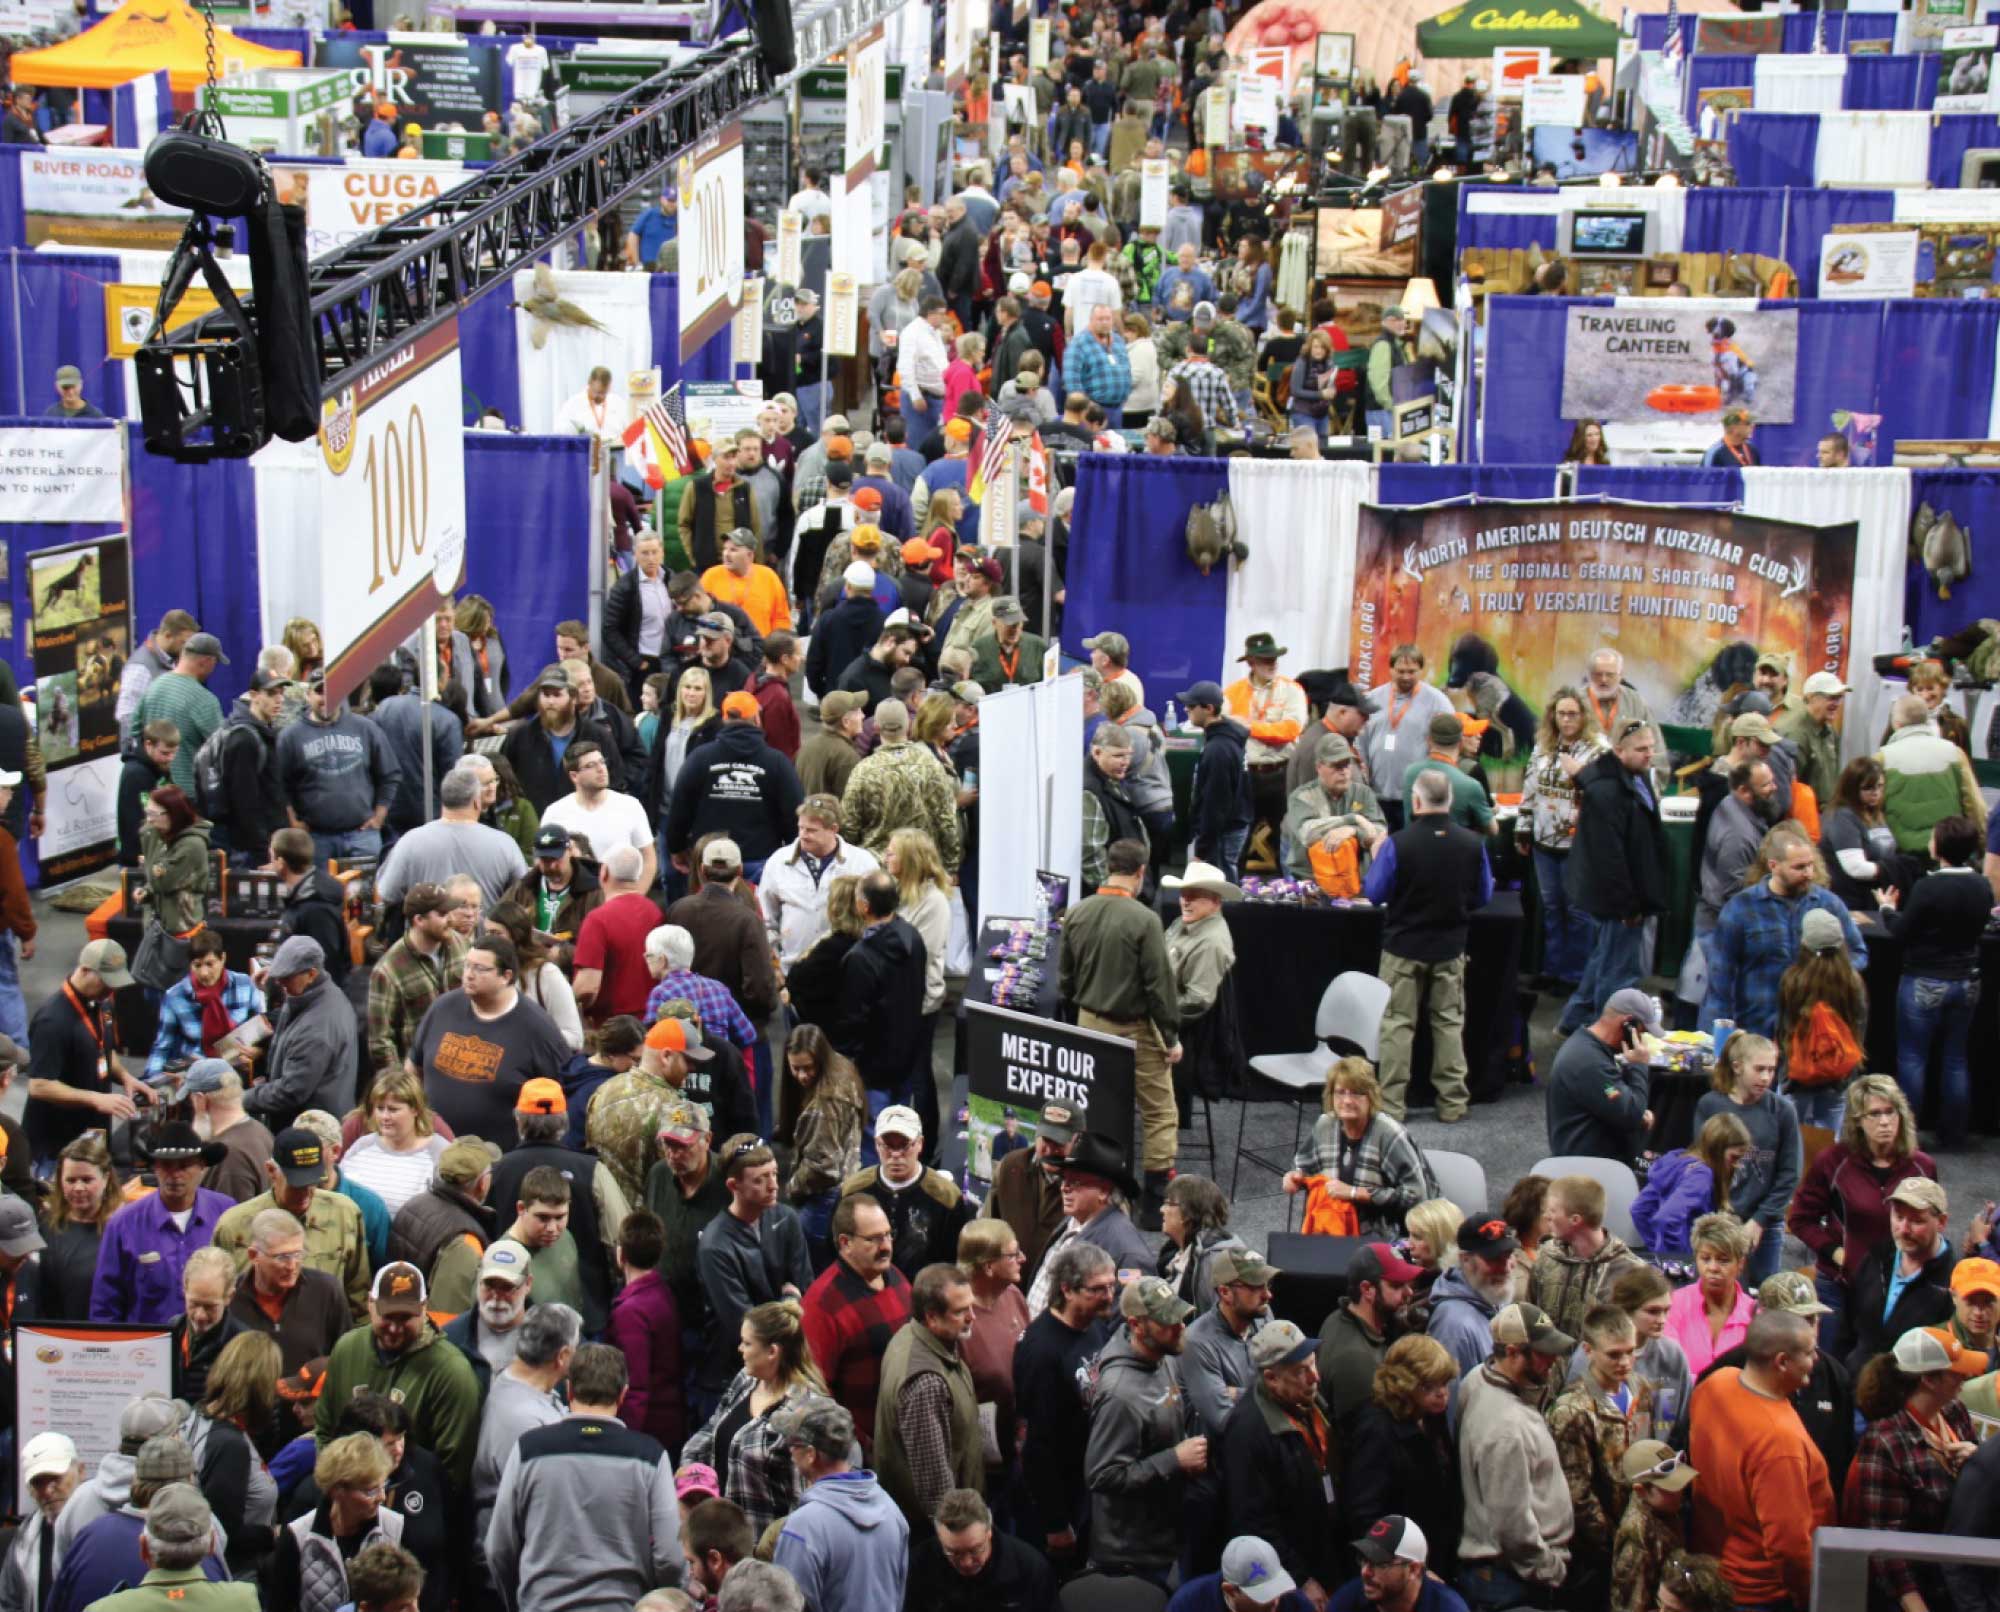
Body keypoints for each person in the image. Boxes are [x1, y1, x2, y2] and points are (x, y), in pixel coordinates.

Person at [486, 1342, 682, 1609]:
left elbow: (498, 1548)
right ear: (623, 1395)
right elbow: (670, 1557)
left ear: (568, 1390)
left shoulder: (527, 1450)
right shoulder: (651, 1456)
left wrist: (518, 1602)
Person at [1365, 767, 1492, 1124]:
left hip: (1403, 948)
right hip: (1450, 948)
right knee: (1449, 1023)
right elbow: (1483, 895)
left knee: (1397, 1026)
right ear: (1449, 800)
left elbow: (1374, 893)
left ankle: (1392, 1105)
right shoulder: (1473, 844)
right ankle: (1452, 1102)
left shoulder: (1398, 843)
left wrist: (1375, 856)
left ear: (1416, 802)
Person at [1686, 1307, 1835, 1611]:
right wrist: (1809, 1595)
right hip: (1760, 1594)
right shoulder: (1779, 1443)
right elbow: (1789, 1546)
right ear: (1782, 1362)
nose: (1817, 1359)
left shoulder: (1714, 1384)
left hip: (1711, 1571)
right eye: (1809, 1352)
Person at [317, 1262, 482, 1491]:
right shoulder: (347, 1349)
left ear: (424, 1308)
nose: (394, 1328)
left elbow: (452, 1469)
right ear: (370, 1304)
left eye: (405, 1317)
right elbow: (325, 1430)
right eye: (387, 1316)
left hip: (412, 1500)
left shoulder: (451, 1372)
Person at [1456, 1303, 1577, 1610]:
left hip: (1502, 1574)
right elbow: (1512, 1524)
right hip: (1513, 1580)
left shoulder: (1477, 1378)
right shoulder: (1508, 1428)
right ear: (1512, 1353)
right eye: (1542, 1353)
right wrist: (1549, 1569)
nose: (1552, 1360)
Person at [1086, 1274, 1204, 1585]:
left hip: (1166, 1535)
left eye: (1180, 1317)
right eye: (1169, 1321)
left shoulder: (1163, 1354)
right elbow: (1102, 1475)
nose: (1181, 1327)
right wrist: (1174, 1459)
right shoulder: (1120, 1394)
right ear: (1137, 1325)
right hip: (1132, 1555)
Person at [1877, 813, 1989, 1140]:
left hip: (1925, 980)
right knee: (1955, 1059)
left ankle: (1907, 1135)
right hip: (1967, 981)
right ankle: (1954, 1132)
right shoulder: (1982, 885)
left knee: (1913, 1059)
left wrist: (1886, 909)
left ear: (1939, 846)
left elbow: (1901, 932)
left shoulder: (1928, 887)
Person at [1702, 828, 1870, 1043]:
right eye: (1799, 867)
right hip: (1757, 1032)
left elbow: (1858, 953)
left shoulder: (1829, 904)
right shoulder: (1741, 908)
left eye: (1810, 865)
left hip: (1812, 1033)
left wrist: (1827, 971)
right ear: (1774, 866)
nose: (1809, 873)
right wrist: (1716, 1038)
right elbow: (1720, 978)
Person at [1215, 1318, 1338, 1604]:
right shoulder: (1247, 1432)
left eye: (1313, 1363)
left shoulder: (1309, 1403)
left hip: (1325, 1551)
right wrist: (1300, 1579)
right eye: (1301, 1371)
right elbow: (1255, 1522)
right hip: (1288, 1577)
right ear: (1271, 1378)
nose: (1315, 1377)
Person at [1559, 720, 1669, 1035]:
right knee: (1618, 970)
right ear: (1619, 751)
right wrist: (1628, 906)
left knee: (1604, 960)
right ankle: (1603, 1034)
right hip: (1620, 898)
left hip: (1627, 891)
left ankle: (1573, 1020)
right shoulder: (1607, 791)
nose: (1649, 754)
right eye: (1642, 749)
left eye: (1651, 747)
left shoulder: (1635, 777)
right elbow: (1610, 858)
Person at [682, 1297, 826, 1536]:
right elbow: (709, 1431)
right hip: (722, 1539)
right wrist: (689, 1476)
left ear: (772, 1352)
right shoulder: (745, 1380)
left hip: (764, 1546)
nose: (740, 1349)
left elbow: (802, 1502)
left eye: (747, 1343)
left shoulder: (806, 1411)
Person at [1013, 1240, 1116, 1566]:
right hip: (1057, 1495)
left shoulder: (1094, 1323)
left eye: (1112, 1286)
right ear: (1067, 1290)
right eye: (1097, 1289)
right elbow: (1035, 1445)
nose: (1110, 1296)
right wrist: (1055, 1522)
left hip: (1087, 1483)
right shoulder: (1041, 1351)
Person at [1547, 1305, 1651, 1608]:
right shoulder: (1572, 1410)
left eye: (1631, 1352)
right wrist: (1616, 1543)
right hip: (1596, 1555)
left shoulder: (1640, 1388)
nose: (1625, 1362)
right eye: (1614, 1355)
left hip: (1639, 1534)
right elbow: (1577, 1494)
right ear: (1589, 1350)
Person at [801, 1195, 911, 1453]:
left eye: (888, 1235)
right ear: (845, 1243)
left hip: (907, 1434)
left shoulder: (896, 1276)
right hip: (866, 1449)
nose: (886, 1246)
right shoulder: (822, 1304)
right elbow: (814, 1390)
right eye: (873, 1239)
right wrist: (859, 1445)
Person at [26, 938, 150, 1165]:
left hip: (92, 1134)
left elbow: (104, 1048)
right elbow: (39, 1085)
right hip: (56, 1145)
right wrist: (95, 1099)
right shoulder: (52, 1020)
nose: (111, 989)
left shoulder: (102, 1003)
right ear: (84, 970)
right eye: (106, 981)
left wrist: (125, 1077)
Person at [90, 1124, 230, 1324]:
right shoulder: (123, 1224)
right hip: (146, 1342)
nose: (175, 1174)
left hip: (211, 1340)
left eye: (184, 1166)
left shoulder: (225, 1212)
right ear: (155, 1167)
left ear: (202, 1166)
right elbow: (105, 1305)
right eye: (166, 1166)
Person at [1283, 1060, 1435, 1242]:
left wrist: (1357, 1193)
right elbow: (1304, 1166)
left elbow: (1417, 1196)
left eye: (1356, 1093)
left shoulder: (1389, 1134)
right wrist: (1295, 1176)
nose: (1347, 1101)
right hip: (1331, 1229)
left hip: (1384, 1238)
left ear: (1371, 1096)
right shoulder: (1325, 1125)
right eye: (1340, 1092)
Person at [1840, 1175, 1958, 1377]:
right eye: (1898, 1217)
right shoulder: (1877, 1256)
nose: (1903, 1229)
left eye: (1916, 1221)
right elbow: (1847, 1324)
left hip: (1908, 1391)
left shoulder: (1952, 1282)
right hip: (1854, 1382)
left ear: (1942, 1222)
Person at [1544, 989, 1659, 1162]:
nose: (1642, 1040)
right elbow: (1631, 1114)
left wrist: (1634, 1111)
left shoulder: (1586, 1045)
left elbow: (1611, 1100)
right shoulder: (1589, 1062)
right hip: (1589, 1168)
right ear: (1628, 1024)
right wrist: (1639, 1065)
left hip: (1592, 1156)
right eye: (1641, 1032)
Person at [1530, 1177, 1646, 1342]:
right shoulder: (1546, 1255)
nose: (1546, 1216)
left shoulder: (1631, 1273)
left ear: (1575, 1220)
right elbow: (1531, 1313)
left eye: (1552, 1211)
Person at [571, 846, 667, 1026]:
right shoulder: (655, 912)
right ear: (637, 875)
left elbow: (587, 987)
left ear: (604, 873)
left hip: (610, 1027)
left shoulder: (598, 920)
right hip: (650, 1021)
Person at [1881, 692, 1984, 852]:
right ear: (1926, 720)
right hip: (1948, 850)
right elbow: (1974, 804)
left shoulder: (1882, 758)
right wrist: (1982, 844)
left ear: (1897, 724)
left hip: (1900, 853)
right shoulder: (1954, 753)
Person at [39, 1133, 121, 1320]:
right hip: (54, 1332)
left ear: (106, 1178)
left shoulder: (122, 1228)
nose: (78, 1188)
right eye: (71, 1180)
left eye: (86, 1179)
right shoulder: (46, 1225)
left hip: (106, 1331)